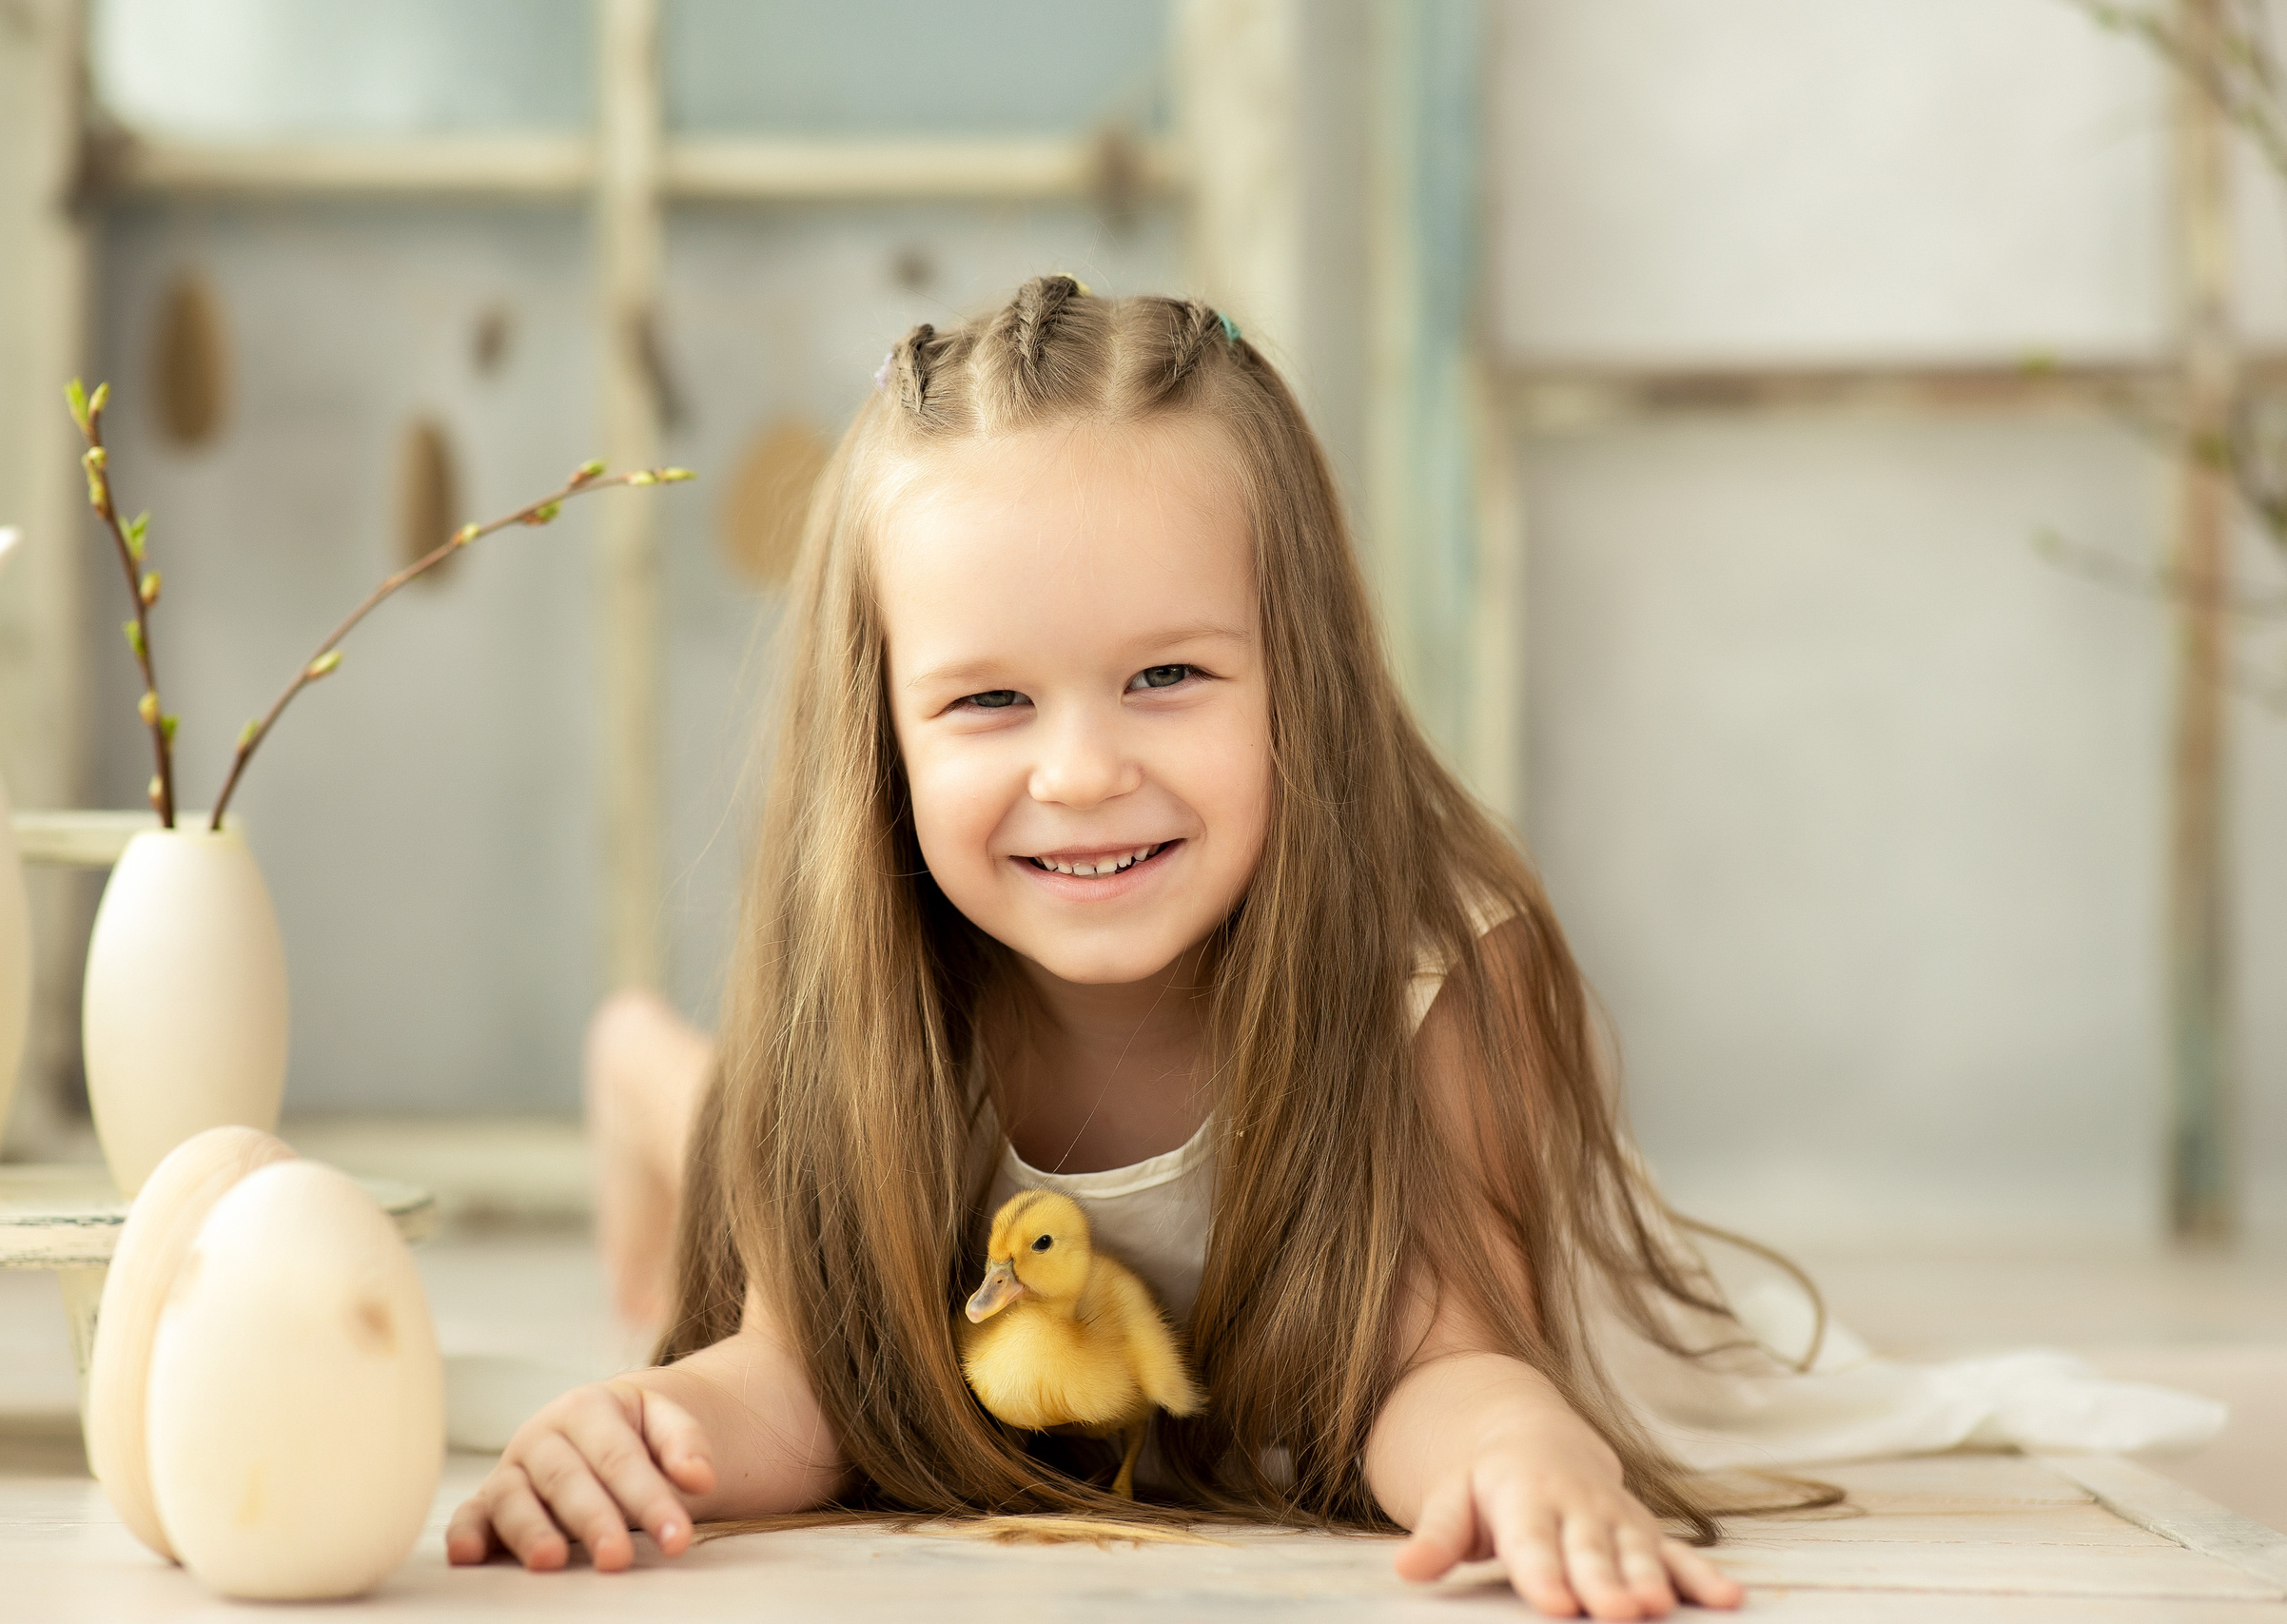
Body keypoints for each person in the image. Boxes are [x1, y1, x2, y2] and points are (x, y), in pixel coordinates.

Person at [447, 278, 1753, 1620]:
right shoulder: (870, 980)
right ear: (882, 743)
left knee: (730, 1123)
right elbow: (799, 1389)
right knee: (725, 1121)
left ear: (1300, 674)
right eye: (990, 700)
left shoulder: (1439, 989)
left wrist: (1514, 1450)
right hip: (845, 1123)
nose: (1078, 774)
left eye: (1166, 678)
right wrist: (644, 1429)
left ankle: (653, 1069)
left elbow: (1440, 1369)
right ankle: (642, 1067)